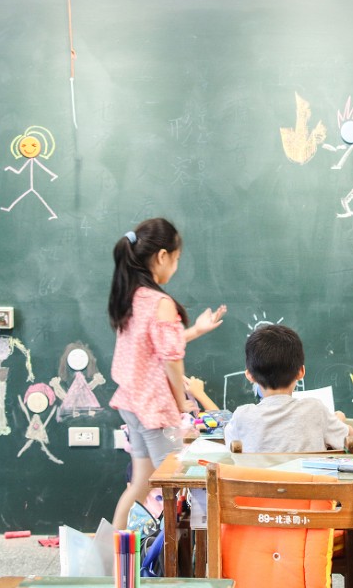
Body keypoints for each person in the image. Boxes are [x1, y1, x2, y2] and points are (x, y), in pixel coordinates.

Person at [108, 217, 226, 529]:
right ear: (162, 256)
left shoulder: (135, 297)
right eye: (176, 259)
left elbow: (153, 346)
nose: (175, 266)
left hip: (132, 404)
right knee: (178, 480)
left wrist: (196, 330)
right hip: (153, 408)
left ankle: (108, 559)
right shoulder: (161, 302)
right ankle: (180, 562)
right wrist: (180, 401)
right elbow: (171, 359)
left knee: (141, 484)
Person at [224, 324, 353, 452]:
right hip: (305, 475)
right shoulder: (315, 410)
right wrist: (339, 420)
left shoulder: (241, 416)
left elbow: (230, 444)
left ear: (250, 375)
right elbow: (350, 439)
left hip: (258, 475)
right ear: (301, 372)